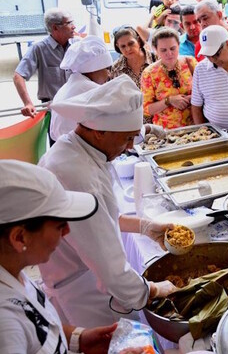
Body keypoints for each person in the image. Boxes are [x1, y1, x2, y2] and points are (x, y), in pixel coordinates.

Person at [38, 76, 177, 328]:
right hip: (85, 291)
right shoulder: (78, 175)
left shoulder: (75, 149)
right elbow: (111, 271)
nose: (129, 147)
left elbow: (101, 217)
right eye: (126, 139)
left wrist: (144, 226)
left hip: (82, 276)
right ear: (99, 131)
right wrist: (152, 290)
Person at [0, 160, 118, 354]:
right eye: (59, 225)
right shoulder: (5, 325)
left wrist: (78, 339)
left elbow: (36, 328)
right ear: (19, 237)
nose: (66, 231)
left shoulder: (12, 269)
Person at [14, 8, 75, 118]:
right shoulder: (39, 48)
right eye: (69, 23)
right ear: (55, 27)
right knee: (57, 135)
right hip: (52, 108)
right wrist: (28, 103)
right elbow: (18, 76)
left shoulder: (77, 46)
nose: (74, 26)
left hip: (76, 104)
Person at [50, 36, 112, 143]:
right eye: (107, 69)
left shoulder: (70, 85)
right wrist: (147, 129)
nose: (109, 74)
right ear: (93, 69)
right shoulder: (91, 90)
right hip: (78, 152)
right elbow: (119, 124)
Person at [141, 27, 197, 129]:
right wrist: (169, 101)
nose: (169, 53)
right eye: (163, 50)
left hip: (195, 127)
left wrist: (191, 99)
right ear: (155, 49)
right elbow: (146, 110)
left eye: (172, 48)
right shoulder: (149, 73)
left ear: (179, 46)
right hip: (166, 132)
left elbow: (205, 92)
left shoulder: (191, 62)